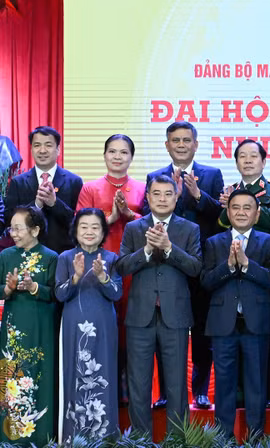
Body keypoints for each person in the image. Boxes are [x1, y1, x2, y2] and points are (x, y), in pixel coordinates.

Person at [142, 121, 223, 410]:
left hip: (199, 264)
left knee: (202, 331)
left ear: (195, 144)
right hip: (165, 265)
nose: (180, 144)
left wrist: (197, 195)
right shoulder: (155, 176)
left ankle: (200, 391)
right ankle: (166, 392)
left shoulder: (211, 175)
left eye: (186, 140)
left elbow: (220, 217)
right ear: (167, 145)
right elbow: (145, 215)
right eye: (174, 140)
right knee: (165, 331)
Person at [117, 175, 202, 435]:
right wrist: (144, 251)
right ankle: (141, 439)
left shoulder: (189, 229)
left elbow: (195, 268)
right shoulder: (134, 228)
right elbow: (121, 266)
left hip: (174, 316)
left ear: (177, 199)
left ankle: (177, 439)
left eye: (168, 194)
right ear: (148, 197)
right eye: (157, 193)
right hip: (139, 317)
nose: (163, 198)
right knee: (139, 385)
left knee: (176, 384)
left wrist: (168, 249)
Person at [201, 189, 270, 438]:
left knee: (256, 386)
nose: (241, 212)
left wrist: (246, 264)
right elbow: (205, 281)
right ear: (228, 212)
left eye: (248, 208)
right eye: (235, 207)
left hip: (256, 324)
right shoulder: (214, 242)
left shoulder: (269, 242)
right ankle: (223, 440)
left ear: (257, 215)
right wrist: (229, 266)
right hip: (224, 325)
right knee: (224, 386)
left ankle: (256, 439)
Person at [218, 139, 270, 407]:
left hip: (264, 266)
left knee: (263, 330)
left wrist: (247, 208)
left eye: (253, 156)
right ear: (236, 162)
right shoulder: (228, 191)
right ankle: (237, 393)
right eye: (242, 157)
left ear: (264, 160)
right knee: (232, 331)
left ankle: (266, 393)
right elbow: (222, 221)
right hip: (233, 266)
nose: (248, 161)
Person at [75, 134, 146, 406]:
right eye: (112, 152)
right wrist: (111, 219)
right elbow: (79, 225)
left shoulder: (142, 187)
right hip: (99, 265)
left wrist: (129, 215)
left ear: (131, 157)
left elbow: (151, 221)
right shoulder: (90, 188)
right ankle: (102, 387)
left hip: (131, 266)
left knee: (131, 325)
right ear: (104, 155)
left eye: (124, 152)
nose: (118, 157)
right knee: (103, 324)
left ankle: (129, 390)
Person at [56, 208, 123, 441]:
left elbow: (116, 294)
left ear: (103, 231)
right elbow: (60, 294)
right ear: (75, 230)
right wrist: (75, 276)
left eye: (95, 227)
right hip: (73, 326)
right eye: (83, 226)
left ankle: (104, 439)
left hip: (104, 326)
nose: (89, 231)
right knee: (74, 374)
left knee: (103, 374)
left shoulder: (112, 259)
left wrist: (103, 276)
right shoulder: (65, 258)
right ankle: (74, 438)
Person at [0, 206, 58, 444]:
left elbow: (57, 293)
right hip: (13, 327)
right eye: (11, 228)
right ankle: (11, 439)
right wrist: (7, 289)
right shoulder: (5, 256)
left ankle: (41, 438)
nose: (13, 233)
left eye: (18, 228)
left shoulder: (51, 257)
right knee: (12, 378)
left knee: (40, 376)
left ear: (35, 230)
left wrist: (35, 287)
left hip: (42, 327)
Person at [4, 126, 83, 253]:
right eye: (37, 145)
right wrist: (36, 205)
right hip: (26, 253)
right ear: (31, 149)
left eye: (48, 145)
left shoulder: (74, 181)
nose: (42, 150)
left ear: (58, 149)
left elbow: (78, 223)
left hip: (62, 254)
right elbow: (9, 220)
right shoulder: (17, 182)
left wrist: (54, 204)